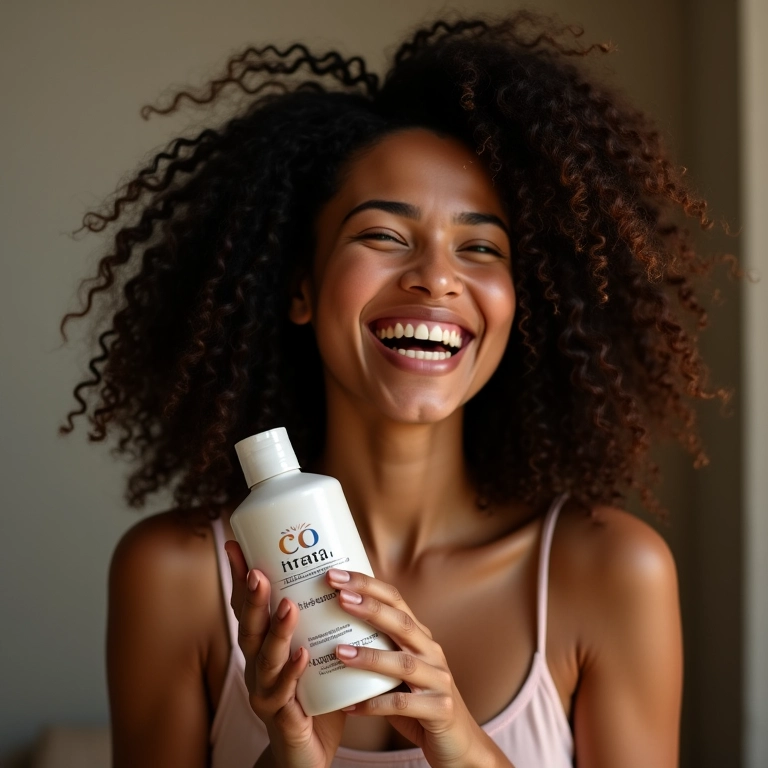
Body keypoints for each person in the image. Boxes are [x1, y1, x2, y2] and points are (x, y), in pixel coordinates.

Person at [60, 11, 732, 768]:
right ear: (301, 287)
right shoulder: (176, 576)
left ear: (521, 302)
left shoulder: (611, 573)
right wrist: (291, 757)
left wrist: (462, 745)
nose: (438, 278)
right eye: (383, 235)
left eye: (480, 247)